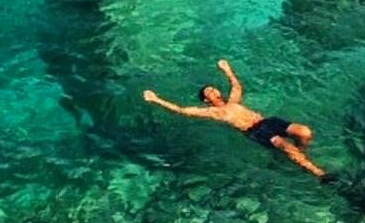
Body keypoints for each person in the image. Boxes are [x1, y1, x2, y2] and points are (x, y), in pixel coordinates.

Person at [143, 59, 333, 181]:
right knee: (283, 144)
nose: (213, 90)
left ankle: (299, 154)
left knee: (304, 132)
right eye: (208, 91)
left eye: (212, 88)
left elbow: (236, 86)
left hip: (268, 121)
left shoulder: (233, 101)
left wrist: (227, 70)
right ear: (206, 100)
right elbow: (181, 110)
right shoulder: (211, 112)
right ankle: (318, 173)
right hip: (255, 131)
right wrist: (156, 99)